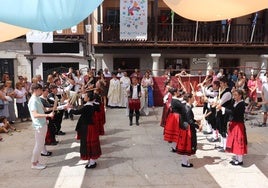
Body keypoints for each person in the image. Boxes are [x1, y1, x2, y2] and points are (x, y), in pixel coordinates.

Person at [70, 90, 102, 169]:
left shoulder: (88, 106)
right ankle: (92, 161)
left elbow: (77, 112)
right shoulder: (93, 105)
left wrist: (69, 109)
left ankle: (92, 162)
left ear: (88, 98)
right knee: (90, 144)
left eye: (85, 96)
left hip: (88, 128)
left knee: (88, 144)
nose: (84, 97)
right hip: (91, 127)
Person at [28, 83, 54, 170]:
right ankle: (34, 163)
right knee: (39, 145)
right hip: (38, 125)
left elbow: (43, 109)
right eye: (40, 90)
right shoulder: (33, 101)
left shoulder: (38, 98)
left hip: (42, 124)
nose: (42, 91)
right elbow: (35, 114)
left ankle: (36, 162)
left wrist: (53, 108)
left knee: (40, 144)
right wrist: (48, 115)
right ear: (35, 90)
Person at [218, 89, 247, 166]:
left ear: (240, 96)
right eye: (234, 95)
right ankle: (237, 158)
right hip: (234, 124)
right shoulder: (235, 102)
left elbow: (233, 112)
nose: (234, 97)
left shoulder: (242, 104)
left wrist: (222, 108)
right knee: (234, 141)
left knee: (238, 141)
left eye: (236, 95)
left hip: (238, 125)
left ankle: (240, 160)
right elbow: (229, 109)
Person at [177, 93, 202, 168]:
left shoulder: (185, 107)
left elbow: (189, 118)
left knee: (185, 146)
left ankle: (184, 161)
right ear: (190, 99)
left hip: (185, 127)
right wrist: (198, 126)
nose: (194, 99)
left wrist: (196, 120)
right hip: (187, 129)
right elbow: (190, 121)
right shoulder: (187, 108)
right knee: (186, 146)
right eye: (193, 97)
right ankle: (184, 163)